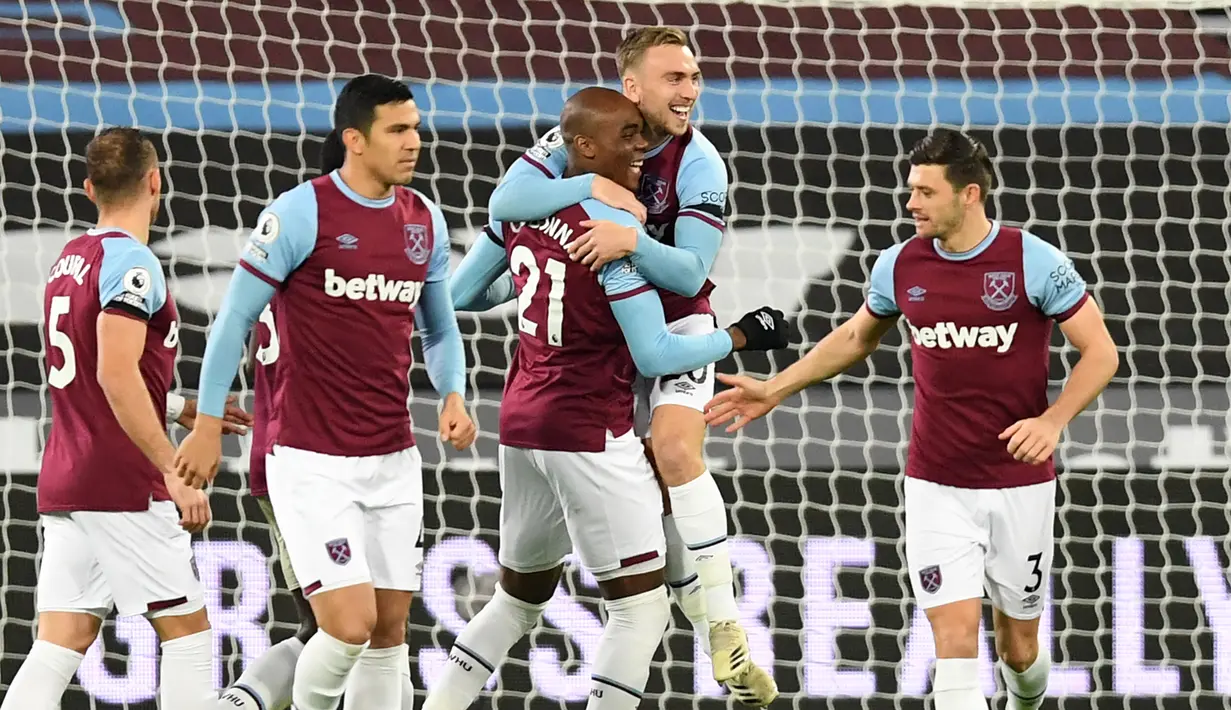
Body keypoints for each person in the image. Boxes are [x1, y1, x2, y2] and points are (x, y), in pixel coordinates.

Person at [704, 128, 1120, 710]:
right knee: (954, 654)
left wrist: (1052, 421)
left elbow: (1102, 353)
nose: (911, 203)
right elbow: (855, 337)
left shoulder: (1032, 261)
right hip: (936, 485)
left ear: (969, 194)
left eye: (926, 191)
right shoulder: (900, 264)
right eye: (911, 190)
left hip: (1021, 486)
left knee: (1020, 653)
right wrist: (774, 388)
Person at [429, 86, 788, 710]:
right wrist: (741, 335)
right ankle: (717, 624)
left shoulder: (524, 204)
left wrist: (523, 284)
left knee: (517, 598)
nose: (643, 146)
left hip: (520, 422)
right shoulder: (613, 228)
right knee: (639, 612)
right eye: (627, 136)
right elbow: (655, 353)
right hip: (589, 426)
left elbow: (459, 294)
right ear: (587, 146)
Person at [175, 74, 475, 710]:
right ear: (354, 140)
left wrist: (452, 392)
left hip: (392, 459)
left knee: (389, 634)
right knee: (346, 627)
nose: (414, 141)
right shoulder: (301, 211)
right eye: (398, 129)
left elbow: (440, 327)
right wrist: (205, 422)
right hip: (310, 460)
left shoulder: (424, 220)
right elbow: (232, 319)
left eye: (416, 127)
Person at [1, 127, 218, 710]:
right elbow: (114, 376)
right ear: (156, 181)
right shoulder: (134, 264)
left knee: (61, 641)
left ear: (89, 188)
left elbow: (88, 369)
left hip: (68, 475)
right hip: (122, 482)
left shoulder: (71, 259)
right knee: (190, 638)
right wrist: (171, 469)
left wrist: (176, 405)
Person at [215, 130, 417, 710]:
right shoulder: (309, 252)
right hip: (300, 459)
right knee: (341, 629)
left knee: (361, 632)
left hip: (316, 453)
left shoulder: (303, 259)